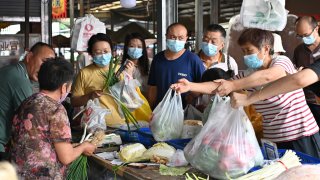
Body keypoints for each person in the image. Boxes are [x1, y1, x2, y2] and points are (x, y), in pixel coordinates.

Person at [172, 28, 320, 158]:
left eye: (249, 51)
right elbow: (220, 86)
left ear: (266, 49)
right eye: (243, 51)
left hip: (301, 136)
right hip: (273, 141)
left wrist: (233, 85)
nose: (246, 56)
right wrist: (190, 86)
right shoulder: (248, 75)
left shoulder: (281, 61)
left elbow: (269, 76)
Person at [11, 58, 96, 179]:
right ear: (64, 87)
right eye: (70, 87)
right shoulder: (56, 109)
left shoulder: (27, 102)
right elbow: (66, 157)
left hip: (18, 173)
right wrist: (84, 147)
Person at [71, 33, 149, 128]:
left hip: (121, 124)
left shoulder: (121, 70)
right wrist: (90, 95)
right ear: (91, 54)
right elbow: (74, 101)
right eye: (98, 52)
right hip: (96, 125)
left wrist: (129, 78)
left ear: (112, 52)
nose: (103, 55)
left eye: (106, 51)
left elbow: (132, 99)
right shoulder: (84, 73)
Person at [0, 42, 55, 160]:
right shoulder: (18, 78)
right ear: (29, 57)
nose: (46, 69)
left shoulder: (16, 71)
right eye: (44, 62)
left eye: (50, 65)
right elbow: (33, 118)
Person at [148, 23, 205, 109]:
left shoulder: (193, 59)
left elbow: (202, 86)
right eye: (172, 37)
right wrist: (150, 109)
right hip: (159, 111)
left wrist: (192, 95)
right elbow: (153, 87)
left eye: (180, 38)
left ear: (186, 39)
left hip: (184, 113)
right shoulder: (157, 59)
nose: (176, 41)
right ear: (166, 36)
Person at [293, 16, 320, 104]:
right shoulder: (298, 51)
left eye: (306, 35)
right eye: (300, 36)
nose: (303, 38)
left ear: (316, 28)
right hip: (306, 102)